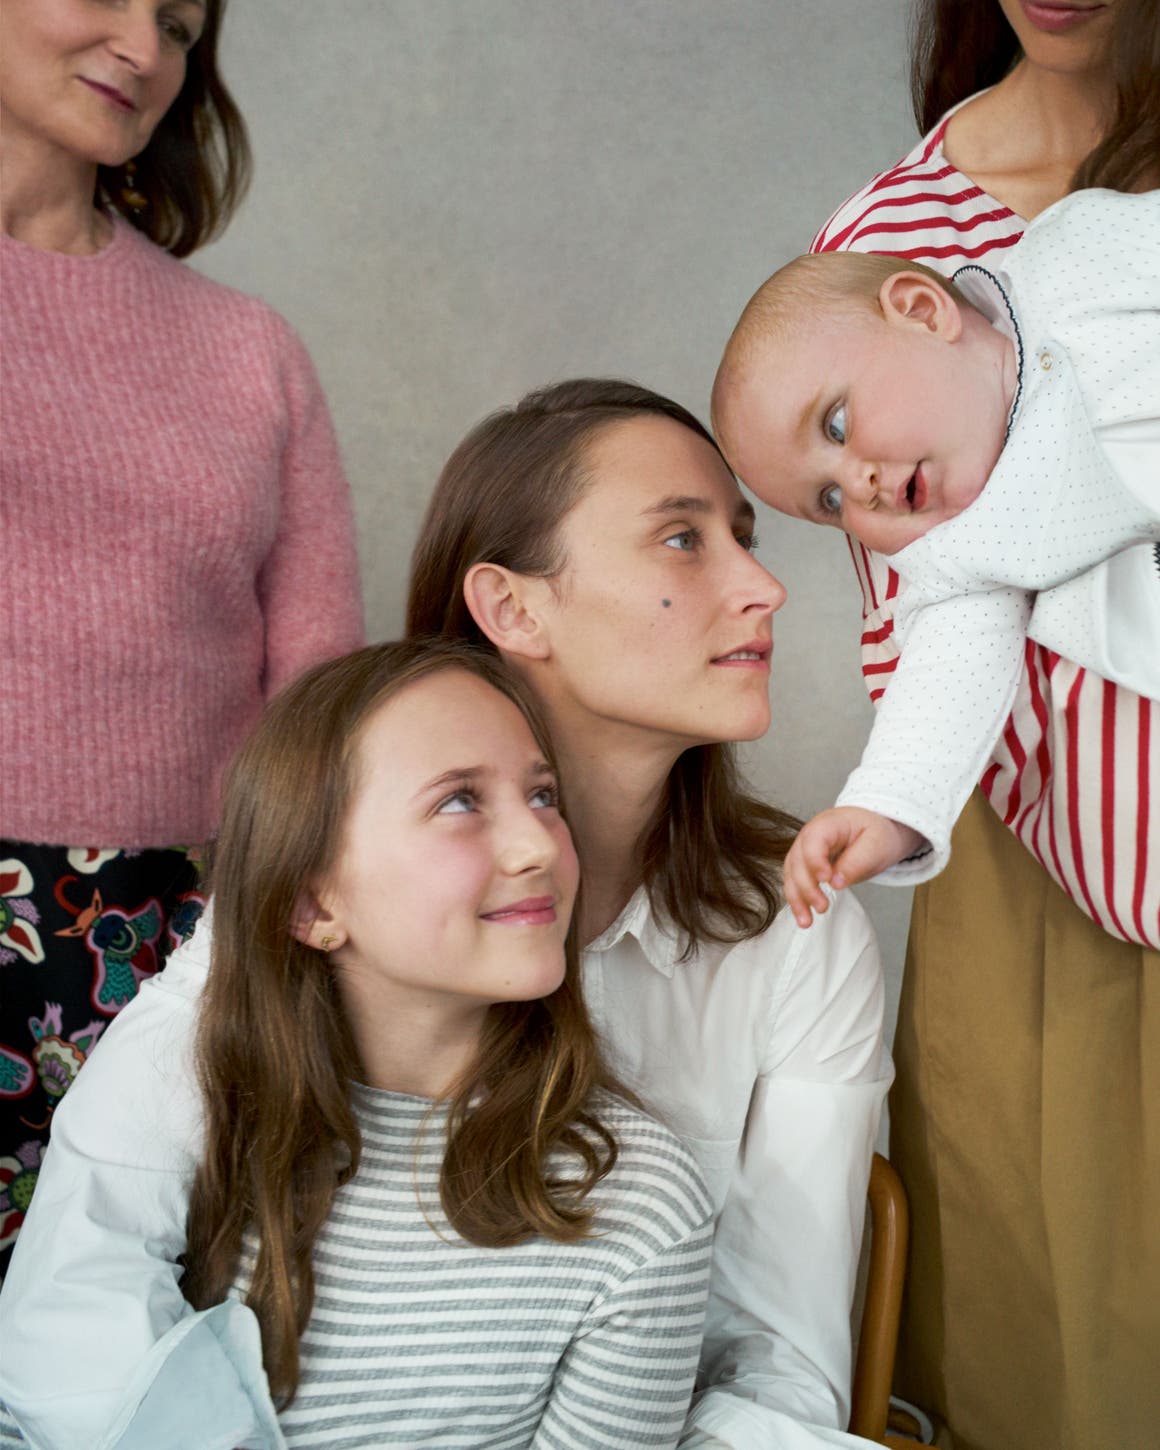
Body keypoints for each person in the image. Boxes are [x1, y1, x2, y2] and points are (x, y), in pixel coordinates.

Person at [0, 381, 891, 1450]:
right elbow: (77, 1285)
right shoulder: (320, 879)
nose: (763, 586)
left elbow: (779, 1369)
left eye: (743, 538)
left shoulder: (797, 924)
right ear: (513, 608)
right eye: (680, 539)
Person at [1, 636, 716, 1449]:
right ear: (310, 904)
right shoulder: (195, 1125)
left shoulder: (638, 1209)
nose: (539, 846)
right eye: (459, 801)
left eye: (543, 795)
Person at [805, 0, 1160, 1443]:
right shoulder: (891, 234)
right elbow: (923, 614)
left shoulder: (1109, 246)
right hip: (1038, 856)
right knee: (1070, 1356)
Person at [0, 0, 364, 1270]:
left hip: (180, 950)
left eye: (178, 21)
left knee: (135, 1352)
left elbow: (319, 702)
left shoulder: (245, 352)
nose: (146, 48)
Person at [713, 190, 1160, 919]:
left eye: (836, 423)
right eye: (829, 504)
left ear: (924, 312)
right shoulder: (960, 555)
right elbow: (943, 687)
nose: (856, 486)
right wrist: (885, 810)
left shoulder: (1073, 262)